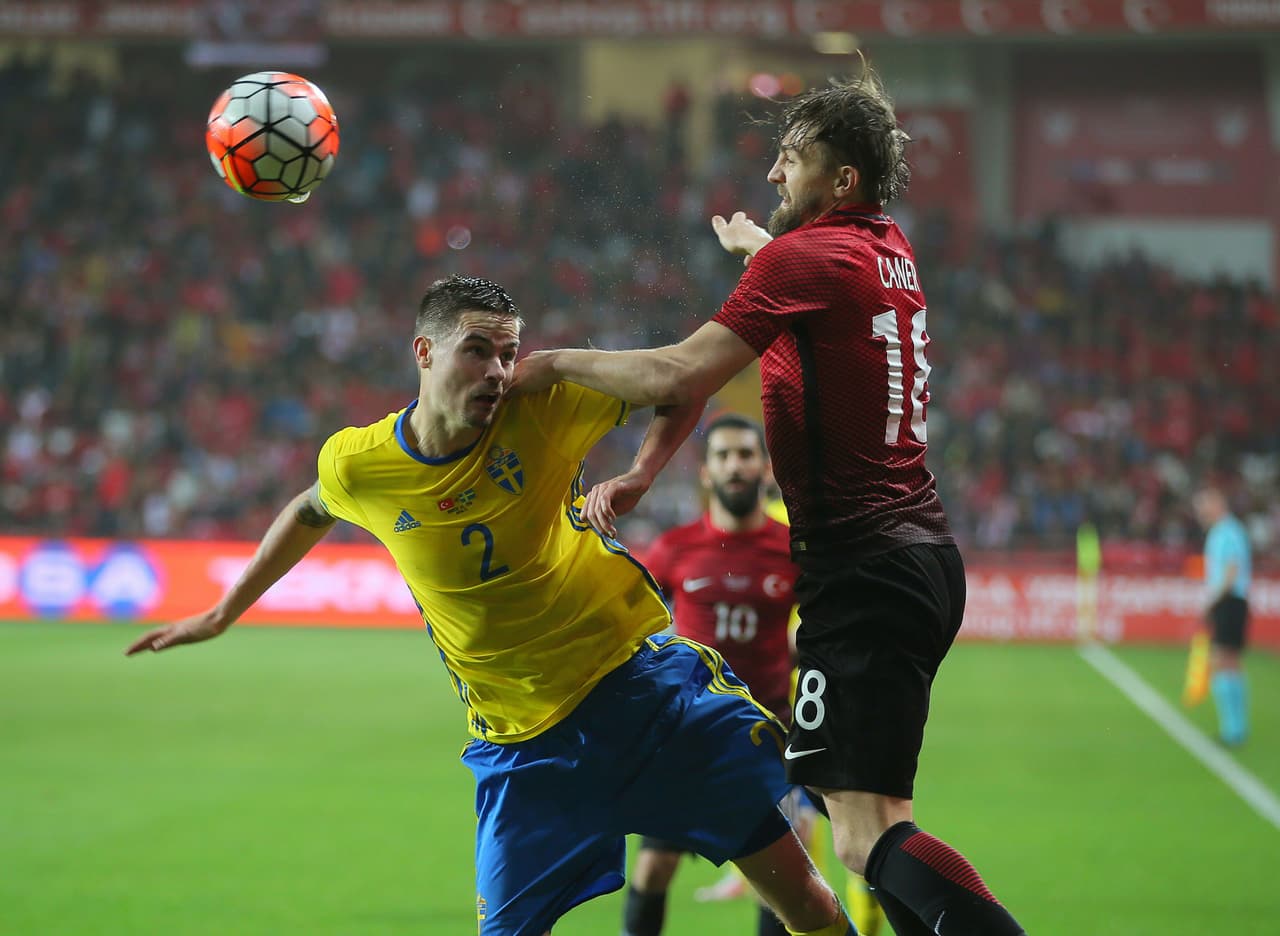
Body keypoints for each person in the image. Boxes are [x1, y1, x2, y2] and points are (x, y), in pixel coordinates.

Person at [125, 276, 853, 936]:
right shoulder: (360, 462)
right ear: (424, 352)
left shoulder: (544, 407)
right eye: (477, 351)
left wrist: (634, 466)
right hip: (524, 750)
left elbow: (681, 383)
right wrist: (224, 612)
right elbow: (311, 510)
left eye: (509, 354)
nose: (498, 373)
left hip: (645, 698)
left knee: (810, 905)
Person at [511, 68, 1028, 936]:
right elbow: (790, 337)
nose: (772, 176)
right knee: (871, 819)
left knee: (867, 837)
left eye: (790, 160)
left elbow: (678, 372)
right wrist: (642, 470)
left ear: (841, 182)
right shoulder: (884, 250)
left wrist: (549, 366)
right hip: (917, 559)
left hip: (862, 571)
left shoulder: (809, 258)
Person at [622, 412, 808, 936]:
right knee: (655, 867)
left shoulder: (792, 548)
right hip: (686, 734)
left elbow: (821, 628)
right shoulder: (676, 547)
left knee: (779, 882)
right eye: (723, 456)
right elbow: (629, 620)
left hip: (766, 734)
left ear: (766, 469)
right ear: (706, 472)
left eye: (746, 455)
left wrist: (799, 651)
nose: (735, 466)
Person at [1192, 485, 1252, 746]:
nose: (1200, 511)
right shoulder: (1224, 531)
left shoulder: (1228, 531)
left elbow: (1231, 571)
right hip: (1231, 601)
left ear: (1218, 504)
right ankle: (1236, 728)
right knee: (1230, 663)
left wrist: (1210, 602)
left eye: (1204, 504)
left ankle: (1232, 730)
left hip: (1229, 601)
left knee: (1221, 661)